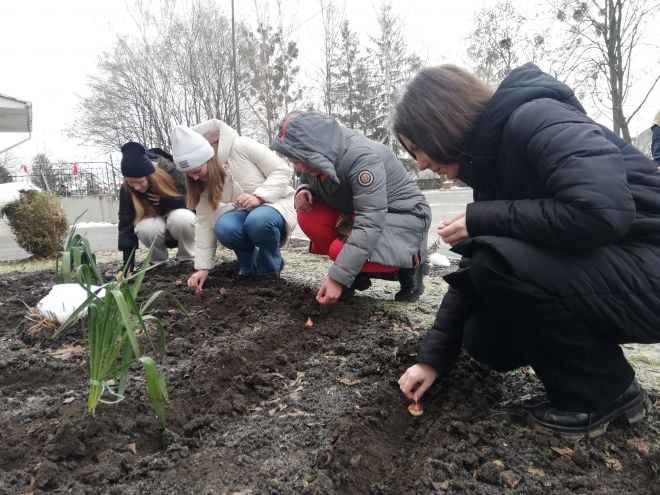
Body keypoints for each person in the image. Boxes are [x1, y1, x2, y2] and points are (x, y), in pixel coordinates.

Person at [395, 63, 658, 438]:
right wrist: (432, 359)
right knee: (485, 335)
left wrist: (484, 218)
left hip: (651, 263)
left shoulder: (536, 118)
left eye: (418, 147)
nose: (420, 162)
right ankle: (598, 376)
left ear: (442, 120)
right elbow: (471, 275)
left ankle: (604, 393)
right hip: (628, 271)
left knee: (496, 265)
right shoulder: (493, 170)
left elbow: (603, 212)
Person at [271, 111, 432, 305]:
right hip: (357, 213)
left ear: (316, 148)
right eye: (294, 162)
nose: (300, 169)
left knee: (338, 250)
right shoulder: (319, 154)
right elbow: (308, 176)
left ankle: (410, 267)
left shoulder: (362, 159)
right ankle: (355, 274)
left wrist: (337, 278)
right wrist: (303, 190)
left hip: (403, 217)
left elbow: (370, 222)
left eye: (300, 161)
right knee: (308, 214)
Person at [169, 119, 297, 293]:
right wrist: (202, 268)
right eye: (189, 175)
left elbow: (282, 170)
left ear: (208, 159)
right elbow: (205, 223)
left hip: (276, 204)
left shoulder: (241, 146)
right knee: (224, 227)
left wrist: (259, 196)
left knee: (258, 221)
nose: (195, 178)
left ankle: (269, 272)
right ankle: (249, 269)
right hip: (244, 211)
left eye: (197, 171)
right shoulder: (201, 183)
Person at [117, 142, 195, 271]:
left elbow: (195, 203)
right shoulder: (127, 189)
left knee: (182, 218)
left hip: (179, 226)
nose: (136, 187)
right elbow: (125, 224)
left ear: (150, 176)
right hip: (155, 227)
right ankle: (157, 262)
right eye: (131, 182)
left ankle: (188, 259)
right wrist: (127, 264)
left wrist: (169, 201)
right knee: (145, 228)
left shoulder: (173, 172)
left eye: (140, 182)